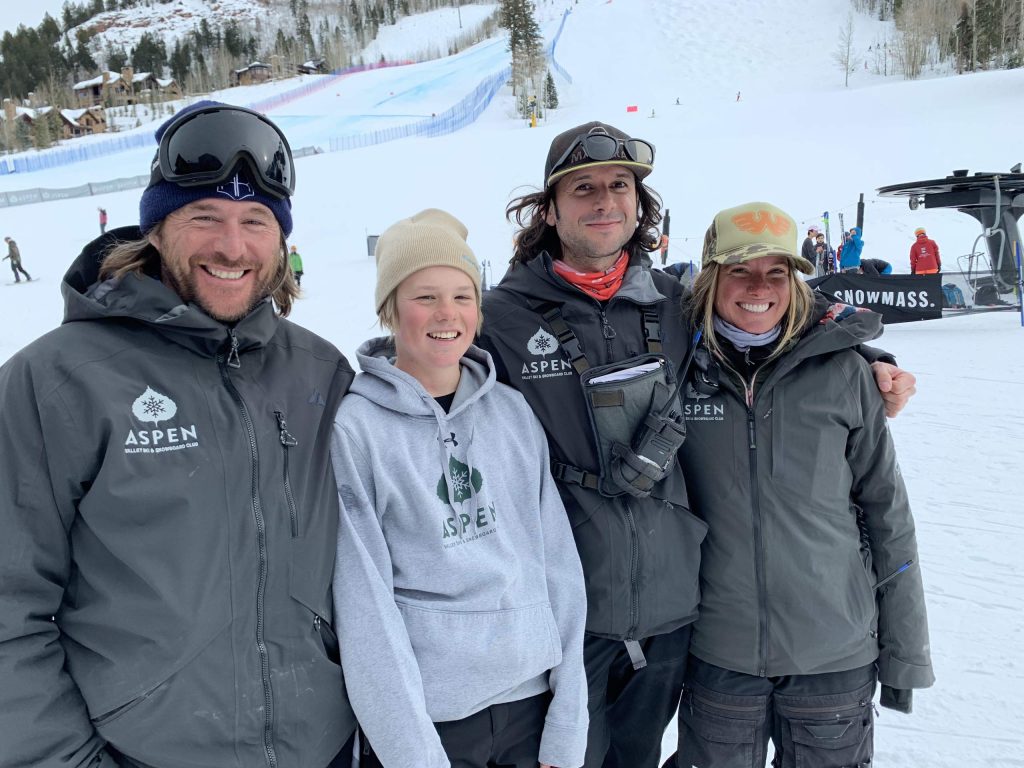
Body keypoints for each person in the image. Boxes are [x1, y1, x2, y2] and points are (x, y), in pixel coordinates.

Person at [476, 121, 917, 768]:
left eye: (619, 186)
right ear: (549, 209)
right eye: (583, 188)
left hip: (670, 615)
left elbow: (778, 319)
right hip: (564, 613)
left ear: (639, 204)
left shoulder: (675, 304)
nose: (604, 201)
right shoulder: (500, 317)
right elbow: (435, 376)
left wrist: (868, 360)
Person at [0, 101, 356, 767]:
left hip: (323, 748)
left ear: (282, 241)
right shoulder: (56, 383)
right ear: (157, 229)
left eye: (256, 222)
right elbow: (8, 607)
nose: (233, 247)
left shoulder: (320, 373)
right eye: (205, 217)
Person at [665, 202, 934, 768]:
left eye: (777, 272)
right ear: (710, 277)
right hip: (718, 653)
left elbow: (888, 514)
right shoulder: (677, 369)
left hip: (833, 657)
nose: (759, 287)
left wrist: (905, 655)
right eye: (740, 270)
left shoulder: (845, 372)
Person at [331, 208, 588, 768]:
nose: (447, 313)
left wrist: (568, 723)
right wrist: (411, 753)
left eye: (462, 296)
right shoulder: (357, 430)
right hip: (432, 719)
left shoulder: (512, 412)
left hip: (530, 705)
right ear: (390, 309)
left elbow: (557, 566)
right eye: (425, 297)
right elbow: (364, 605)